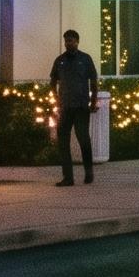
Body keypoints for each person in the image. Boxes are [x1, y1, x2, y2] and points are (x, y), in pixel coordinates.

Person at [49, 28, 99, 186]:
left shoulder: (85, 59)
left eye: (70, 40)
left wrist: (93, 101)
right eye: (66, 41)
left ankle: (88, 172)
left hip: (81, 107)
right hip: (66, 107)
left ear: (77, 42)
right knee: (63, 141)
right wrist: (56, 99)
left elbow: (94, 81)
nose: (67, 43)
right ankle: (68, 177)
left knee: (83, 138)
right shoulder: (60, 60)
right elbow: (53, 81)